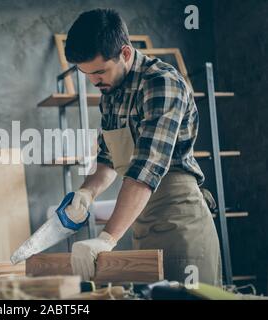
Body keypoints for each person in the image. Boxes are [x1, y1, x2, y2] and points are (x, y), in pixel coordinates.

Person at [61, 8, 222, 286]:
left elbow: (147, 168)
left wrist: (106, 239)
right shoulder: (110, 93)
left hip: (180, 222)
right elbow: (107, 160)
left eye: (99, 72)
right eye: (86, 74)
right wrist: (87, 192)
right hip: (141, 223)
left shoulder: (161, 83)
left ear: (124, 53)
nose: (94, 81)